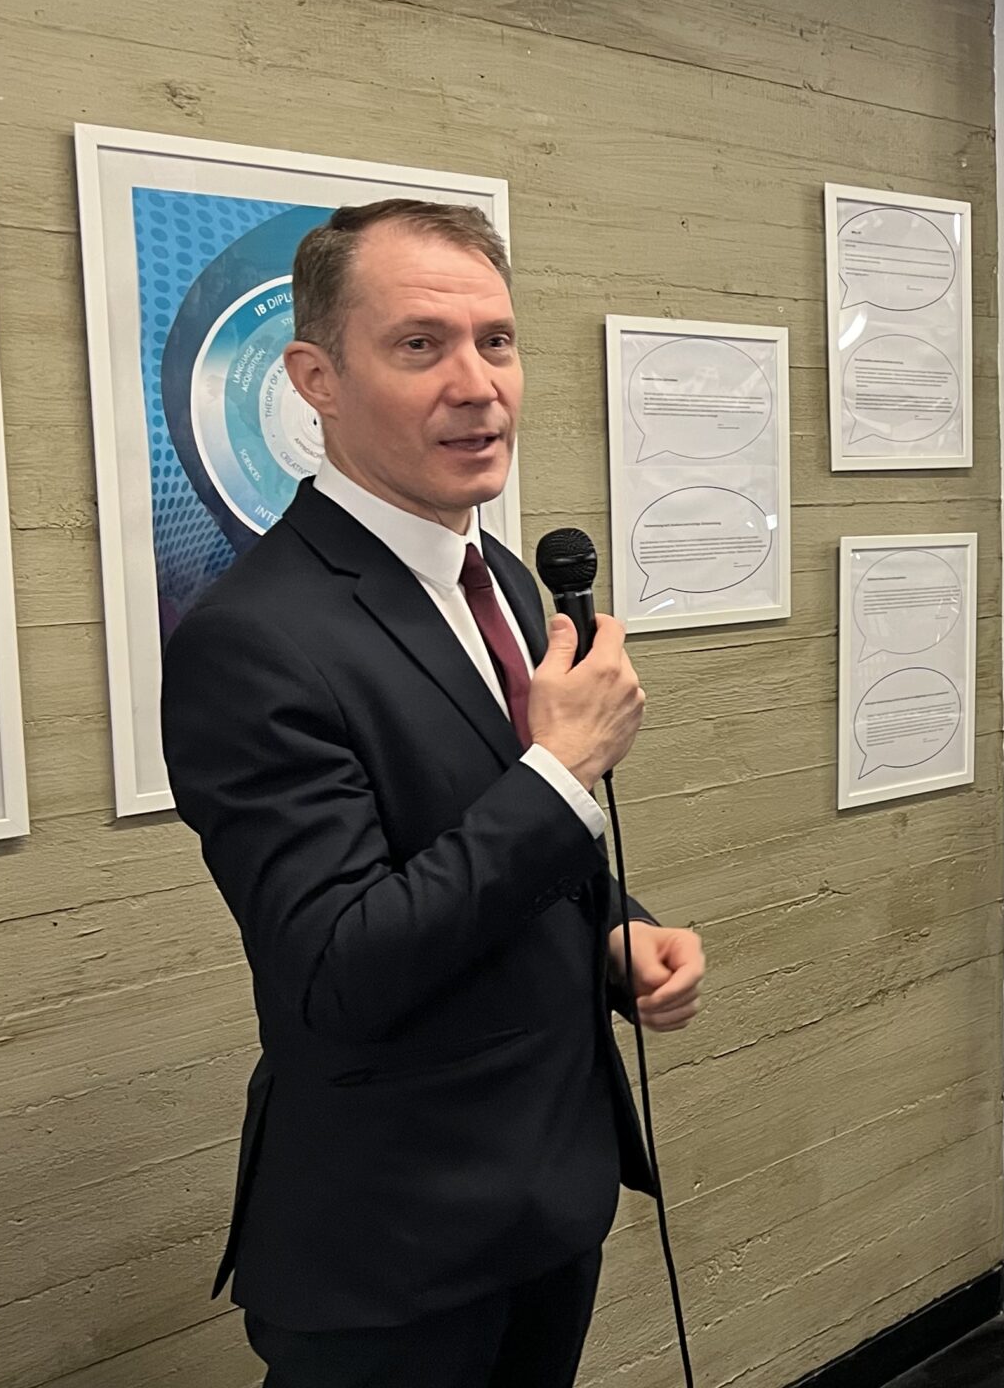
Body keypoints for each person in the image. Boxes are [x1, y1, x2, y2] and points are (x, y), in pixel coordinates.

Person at [161, 201, 706, 1387]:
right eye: (421, 345)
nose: (478, 386)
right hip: (391, 1250)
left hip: (546, 1197)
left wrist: (614, 933)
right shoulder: (252, 640)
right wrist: (561, 772)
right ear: (316, 380)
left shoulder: (499, 576)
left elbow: (497, 848)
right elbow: (338, 965)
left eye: (496, 341)